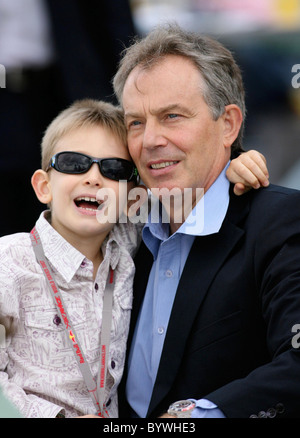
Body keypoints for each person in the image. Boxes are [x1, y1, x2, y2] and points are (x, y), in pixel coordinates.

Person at [112, 23, 300, 418]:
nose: (150, 140)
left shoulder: (281, 223)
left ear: (228, 124)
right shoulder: (123, 232)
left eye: (172, 116)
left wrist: (200, 416)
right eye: (135, 122)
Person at [0, 99, 141, 418]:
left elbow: (188, 196)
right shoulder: (8, 262)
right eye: (74, 163)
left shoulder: (129, 248)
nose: (93, 177)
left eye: (114, 169)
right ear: (43, 186)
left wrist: (237, 164)